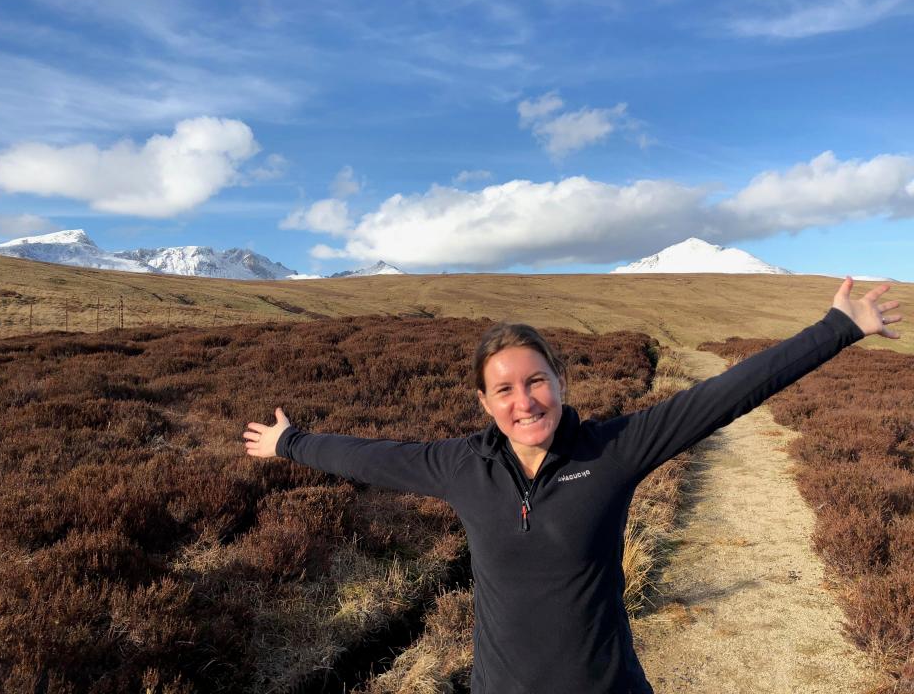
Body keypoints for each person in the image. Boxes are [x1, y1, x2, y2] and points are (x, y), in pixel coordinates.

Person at [242, 277, 902, 694]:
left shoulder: (612, 451)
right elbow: (374, 458)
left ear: (560, 382)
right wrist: (290, 442)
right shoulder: (460, 467)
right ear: (483, 402)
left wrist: (837, 329)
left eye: (536, 381)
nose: (524, 401)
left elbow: (723, 397)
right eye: (504, 389)